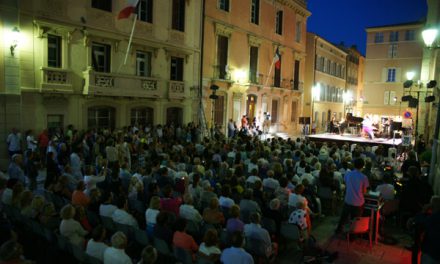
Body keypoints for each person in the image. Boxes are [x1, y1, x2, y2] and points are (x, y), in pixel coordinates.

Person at [335, 158, 369, 233]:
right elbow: (364, 191)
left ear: (354, 165)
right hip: (358, 202)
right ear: (363, 166)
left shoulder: (348, 174)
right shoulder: (364, 177)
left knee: (343, 217)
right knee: (355, 221)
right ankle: (352, 235)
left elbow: (346, 183)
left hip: (348, 200)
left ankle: (338, 230)